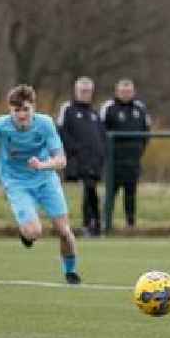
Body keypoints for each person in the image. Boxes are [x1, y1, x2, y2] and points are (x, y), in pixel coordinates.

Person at [0, 85, 81, 284]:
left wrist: (42, 165)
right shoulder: (0, 125)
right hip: (16, 182)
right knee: (34, 232)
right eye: (17, 110)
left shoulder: (45, 124)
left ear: (34, 108)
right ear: (10, 110)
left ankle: (70, 272)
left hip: (45, 180)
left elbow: (61, 160)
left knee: (65, 232)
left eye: (26, 109)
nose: (22, 115)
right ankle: (27, 233)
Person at [57, 77, 106, 236]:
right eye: (82, 91)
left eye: (88, 91)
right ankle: (78, 226)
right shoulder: (68, 109)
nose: (85, 94)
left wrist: (100, 155)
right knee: (84, 191)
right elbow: (61, 132)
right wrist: (75, 150)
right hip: (75, 162)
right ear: (76, 91)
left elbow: (101, 137)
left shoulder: (94, 113)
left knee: (92, 193)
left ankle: (93, 225)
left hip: (93, 162)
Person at [100, 79, 151, 228]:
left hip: (133, 161)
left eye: (129, 91)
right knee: (110, 193)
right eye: (123, 91)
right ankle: (105, 223)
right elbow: (100, 132)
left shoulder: (140, 108)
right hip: (113, 162)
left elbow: (146, 132)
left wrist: (139, 151)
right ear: (117, 91)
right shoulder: (108, 108)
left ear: (133, 92)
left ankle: (130, 224)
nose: (126, 94)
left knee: (131, 194)